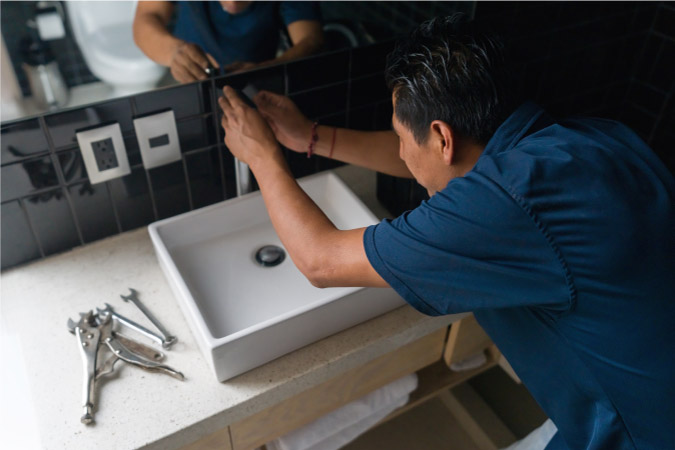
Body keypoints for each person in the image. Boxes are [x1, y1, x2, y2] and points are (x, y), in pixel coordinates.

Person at [218, 15, 675, 450]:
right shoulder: (584, 140)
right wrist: (310, 138)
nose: (400, 148)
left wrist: (261, 155)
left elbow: (321, 260)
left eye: (401, 134)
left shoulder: (502, 204)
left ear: (441, 136)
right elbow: (427, 161)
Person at [133, 1, 323, 83]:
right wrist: (175, 53)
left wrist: (268, 69)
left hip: (259, 78)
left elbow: (311, 40)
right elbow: (147, 17)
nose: (232, 2)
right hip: (188, 71)